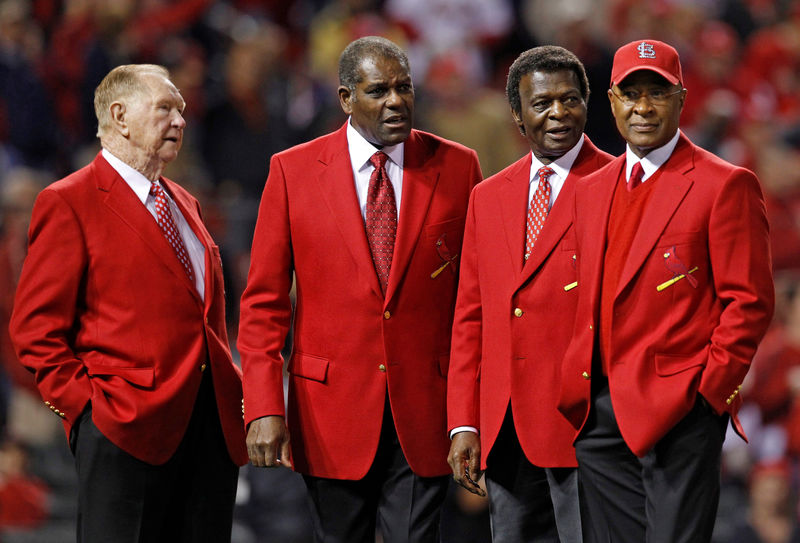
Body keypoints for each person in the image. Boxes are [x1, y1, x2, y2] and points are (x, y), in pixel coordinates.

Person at [238, 36, 482, 542]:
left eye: (404, 88)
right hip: (330, 413)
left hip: (427, 410)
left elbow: (472, 303)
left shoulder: (458, 167)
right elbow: (263, 302)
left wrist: (468, 418)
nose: (396, 101)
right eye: (379, 91)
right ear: (346, 99)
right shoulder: (293, 171)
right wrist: (263, 406)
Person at [9, 64, 248, 542]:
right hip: (124, 433)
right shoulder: (68, 201)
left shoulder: (185, 201)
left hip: (210, 437)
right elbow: (35, 332)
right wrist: (88, 415)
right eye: (165, 108)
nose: (181, 120)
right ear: (119, 115)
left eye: (181, 111)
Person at [557, 39, 775, 542]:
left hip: (680, 409)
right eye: (630, 93)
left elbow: (750, 301)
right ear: (610, 101)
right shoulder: (588, 190)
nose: (643, 107)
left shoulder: (724, 185)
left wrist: (708, 394)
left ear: (681, 99)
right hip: (599, 412)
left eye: (658, 92)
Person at [446, 46, 612, 542]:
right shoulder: (488, 196)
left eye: (570, 99)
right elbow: (470, 317)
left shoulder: (617, 186)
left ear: (587, 103)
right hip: (505, 429)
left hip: (585, 428)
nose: (558, 113)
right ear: (518, 116)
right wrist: (463, 424)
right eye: (541, 104)